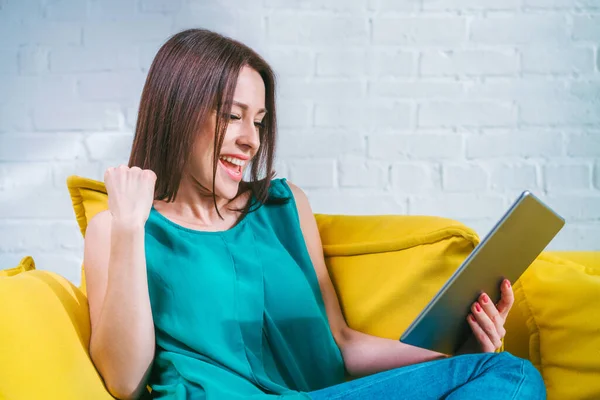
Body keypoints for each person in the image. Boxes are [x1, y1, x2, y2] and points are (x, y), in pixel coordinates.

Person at [83, 29, 546, 400]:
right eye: (233, 115)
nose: (252, 140)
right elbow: (123, 381)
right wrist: (127, 228)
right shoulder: (123, 228)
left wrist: (458, 358)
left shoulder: (285, 207)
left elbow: (343, 343)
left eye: (259, 121)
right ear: (178, 112)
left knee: (507, 377)